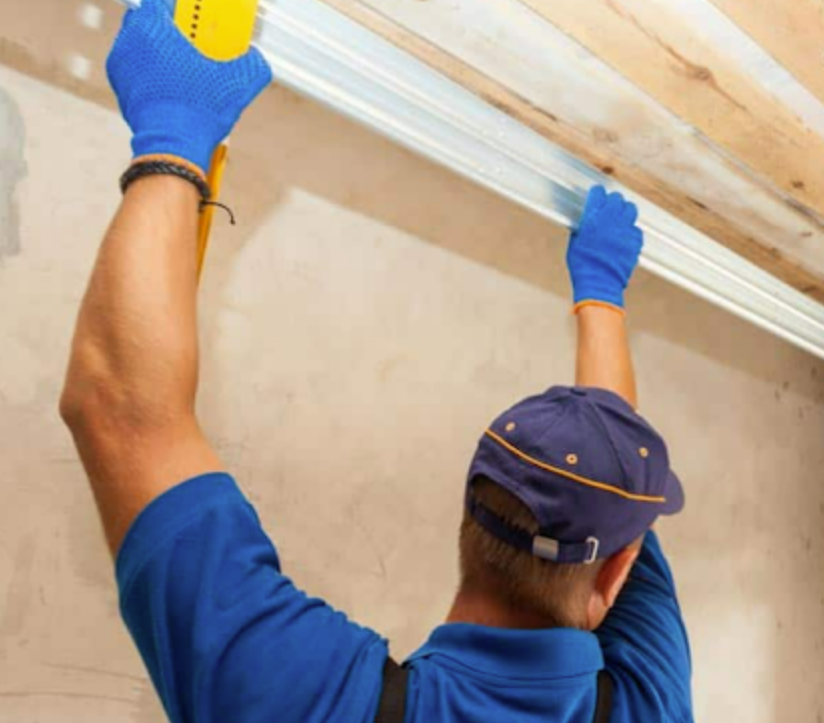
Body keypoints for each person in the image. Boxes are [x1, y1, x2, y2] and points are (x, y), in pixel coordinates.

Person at [59, 2, 692, 721]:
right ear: (615, 571)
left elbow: (124, 412)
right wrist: (601, 295)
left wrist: (174, 134)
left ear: (468, 513)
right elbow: (115, 411)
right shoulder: (649, 694)